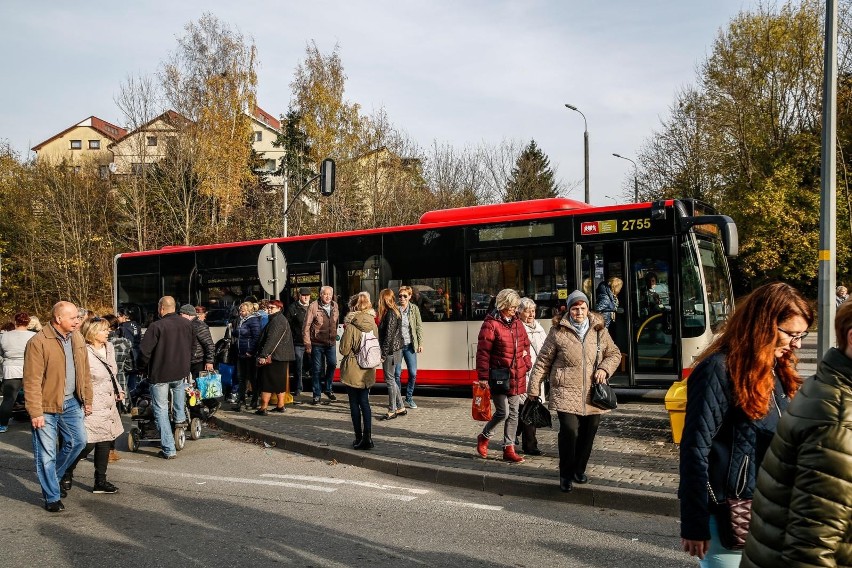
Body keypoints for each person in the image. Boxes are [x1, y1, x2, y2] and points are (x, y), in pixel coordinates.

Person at [678, 282, 813, 567]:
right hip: (730, 513)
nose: (797, 344)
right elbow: (694, 449)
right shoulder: (718, 369)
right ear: (762, 325)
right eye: (791, 334)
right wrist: (694, 522)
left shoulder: (776, 369)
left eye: (802, 335)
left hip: (771, 510)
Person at [741, 301, 852, 566]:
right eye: (792, 334)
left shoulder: (825, 388)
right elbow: (810, 546)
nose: (797, 344)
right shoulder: (836, 418)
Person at [528, 290, 621, 492]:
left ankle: (579, 469)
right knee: (569, 431)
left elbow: (614, 354)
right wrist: (534, 388)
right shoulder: (557, 332)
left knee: (589, 432)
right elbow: (543, 361)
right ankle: (566, 474)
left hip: (592, 393)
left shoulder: (599, 330)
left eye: (582, 308)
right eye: (575, 308)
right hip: (565, 390)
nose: (579, 312)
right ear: (568, 310)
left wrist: (604, 369)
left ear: (588, 309)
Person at [22, 301, 92, 512]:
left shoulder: (77, 337)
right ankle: (52, 496)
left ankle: (54, 477)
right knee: (47, 454)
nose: (77, 321)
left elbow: (84, 372)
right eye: (73, 318)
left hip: (72, 402)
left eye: (78, 317)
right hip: (45, 406)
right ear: (58, 319)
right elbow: (31, 380)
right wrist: (35, 412)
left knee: (79, 442)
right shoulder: (38, 342)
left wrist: (87, 399)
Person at [62, 318, 125, 495]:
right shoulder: (84, 351)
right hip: (92, 399)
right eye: (104, 330)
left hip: (109, 400)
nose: (108, 332)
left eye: (108, 330)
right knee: (87, 443)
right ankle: (65, 472)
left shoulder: (109, 347)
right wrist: (85, 400)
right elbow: (80, 378)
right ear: (93, 332)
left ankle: (100, 480)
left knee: (105, 439)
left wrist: (118, 389)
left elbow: (112, 373)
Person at [475, 288, 532, 463]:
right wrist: (484, 377)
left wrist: (527, 363)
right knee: (503, 412)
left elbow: (526, 345)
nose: (514, 311)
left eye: (516, 308)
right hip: (499, 375)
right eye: (511, 307)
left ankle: (509, 449)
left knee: (514, 412)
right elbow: (483, 353)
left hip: (516, 375)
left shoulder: (517, 323)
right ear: (502, 305)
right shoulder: (491, 324)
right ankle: (484, 436)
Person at [138, 296, 193, 460]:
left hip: (160, 373)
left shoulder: (156, 326)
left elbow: (144, 352)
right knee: (178, 393)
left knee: (160, 409)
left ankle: (169, 448)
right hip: (180, 371)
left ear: (161, 308)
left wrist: (141, 367)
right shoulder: (187, 324)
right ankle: (180, 420)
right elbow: (193, 346)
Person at [340, 292, 379, 450]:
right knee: (365, 403)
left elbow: (344, 350)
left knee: (354, 404)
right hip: (368, 368)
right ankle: (368, 437)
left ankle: (358, 438)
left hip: (353, 368)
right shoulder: (373, 324)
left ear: (354, 307)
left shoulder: (352, 325)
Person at [516, 297, 547, 455]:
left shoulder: (540, 328)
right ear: (519, 312)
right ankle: (530, 445)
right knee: (527, 410)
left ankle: (515, 434)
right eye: (527, 311)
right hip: (523, 375)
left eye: (533, 311)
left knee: (526, 409)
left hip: (537, 375)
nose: (531, 314)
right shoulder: (517, 328)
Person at [254, 300, 295, 415]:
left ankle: (263, 408)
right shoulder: (279, 319)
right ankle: (280, 406)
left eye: (272, 307)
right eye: (268, 307)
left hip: (274, 357)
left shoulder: (277, 321)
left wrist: (263, 355)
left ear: (279, 308)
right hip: (281, 357)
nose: (269, 309)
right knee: (279, 383)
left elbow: (272, 340)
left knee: (266, 383)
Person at [0, 312, 37, 433]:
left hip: (10, 369)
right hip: (29, 369)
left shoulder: (4, 336)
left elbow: (1, 353)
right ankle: (35, 422)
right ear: (28, 323)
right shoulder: (33, 336)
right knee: (33, 397)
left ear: (15, 322)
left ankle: (2, 424)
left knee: (8, 399)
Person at [303, 285, 340, 405]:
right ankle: (317, 395)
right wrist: (307, 344)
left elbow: (336, 322)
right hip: (317, 343)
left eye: (330, 294)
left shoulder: (335, 305)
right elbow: (306, 326)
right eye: (325, 294)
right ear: (321, 294)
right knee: (317, 370)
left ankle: (328, 388)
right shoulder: (313, 306)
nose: (328, 296)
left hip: (331, 343)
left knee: (332, 364)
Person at [377, 288, 406, 421]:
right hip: (395, 349)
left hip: (390, 351)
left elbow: (388, 336)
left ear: (384, 299)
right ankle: (400, 407)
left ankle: (392, 410)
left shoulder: (390, 313)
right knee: (392, 379)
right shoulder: (395, 311)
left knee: (389, 380)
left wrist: (383, 353)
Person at [395, 285, 424, 409]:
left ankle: (409, 397)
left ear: (410, 297)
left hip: (410, 345)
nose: (402, 298)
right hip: (397, 347)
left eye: (404, 296)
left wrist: (420, 343)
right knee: (396, 373)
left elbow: (418, 327)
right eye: (400, 296)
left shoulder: (414, 309)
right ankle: (397, 400)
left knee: (412, 373)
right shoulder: (394, 309)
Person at [232, 301, 262, 411]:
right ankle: (241, 401)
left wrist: (250, 351)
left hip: (249, 354)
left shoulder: (253, 320)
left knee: (252, 377)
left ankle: (254, 400)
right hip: (241, 353)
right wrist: (234, 331)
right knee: (241, 378)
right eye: (240, 310)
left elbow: (256, 336)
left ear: (249, 311)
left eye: (243, 311)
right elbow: (240, 333)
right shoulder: (242, 320)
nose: (240, 312)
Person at [286, 287, 312, 397]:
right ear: (299, 296)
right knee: (298, 366)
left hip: (312, 342)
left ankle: (316, 389)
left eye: (307, 295)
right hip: (298, 342)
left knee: (313, 365)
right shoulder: (293, 308)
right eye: (303, 295)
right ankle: (298, 388)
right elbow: (287, 324)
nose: (305, 297)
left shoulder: (314, 307)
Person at [179, 304, 214, 380]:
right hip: (189, 360)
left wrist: (209, 362)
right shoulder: (186, 324)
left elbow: (209, 344)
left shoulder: (200, 325)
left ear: (188, 314)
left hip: (198, 361)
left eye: (181, 314)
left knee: (200, 384)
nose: (180, 317)